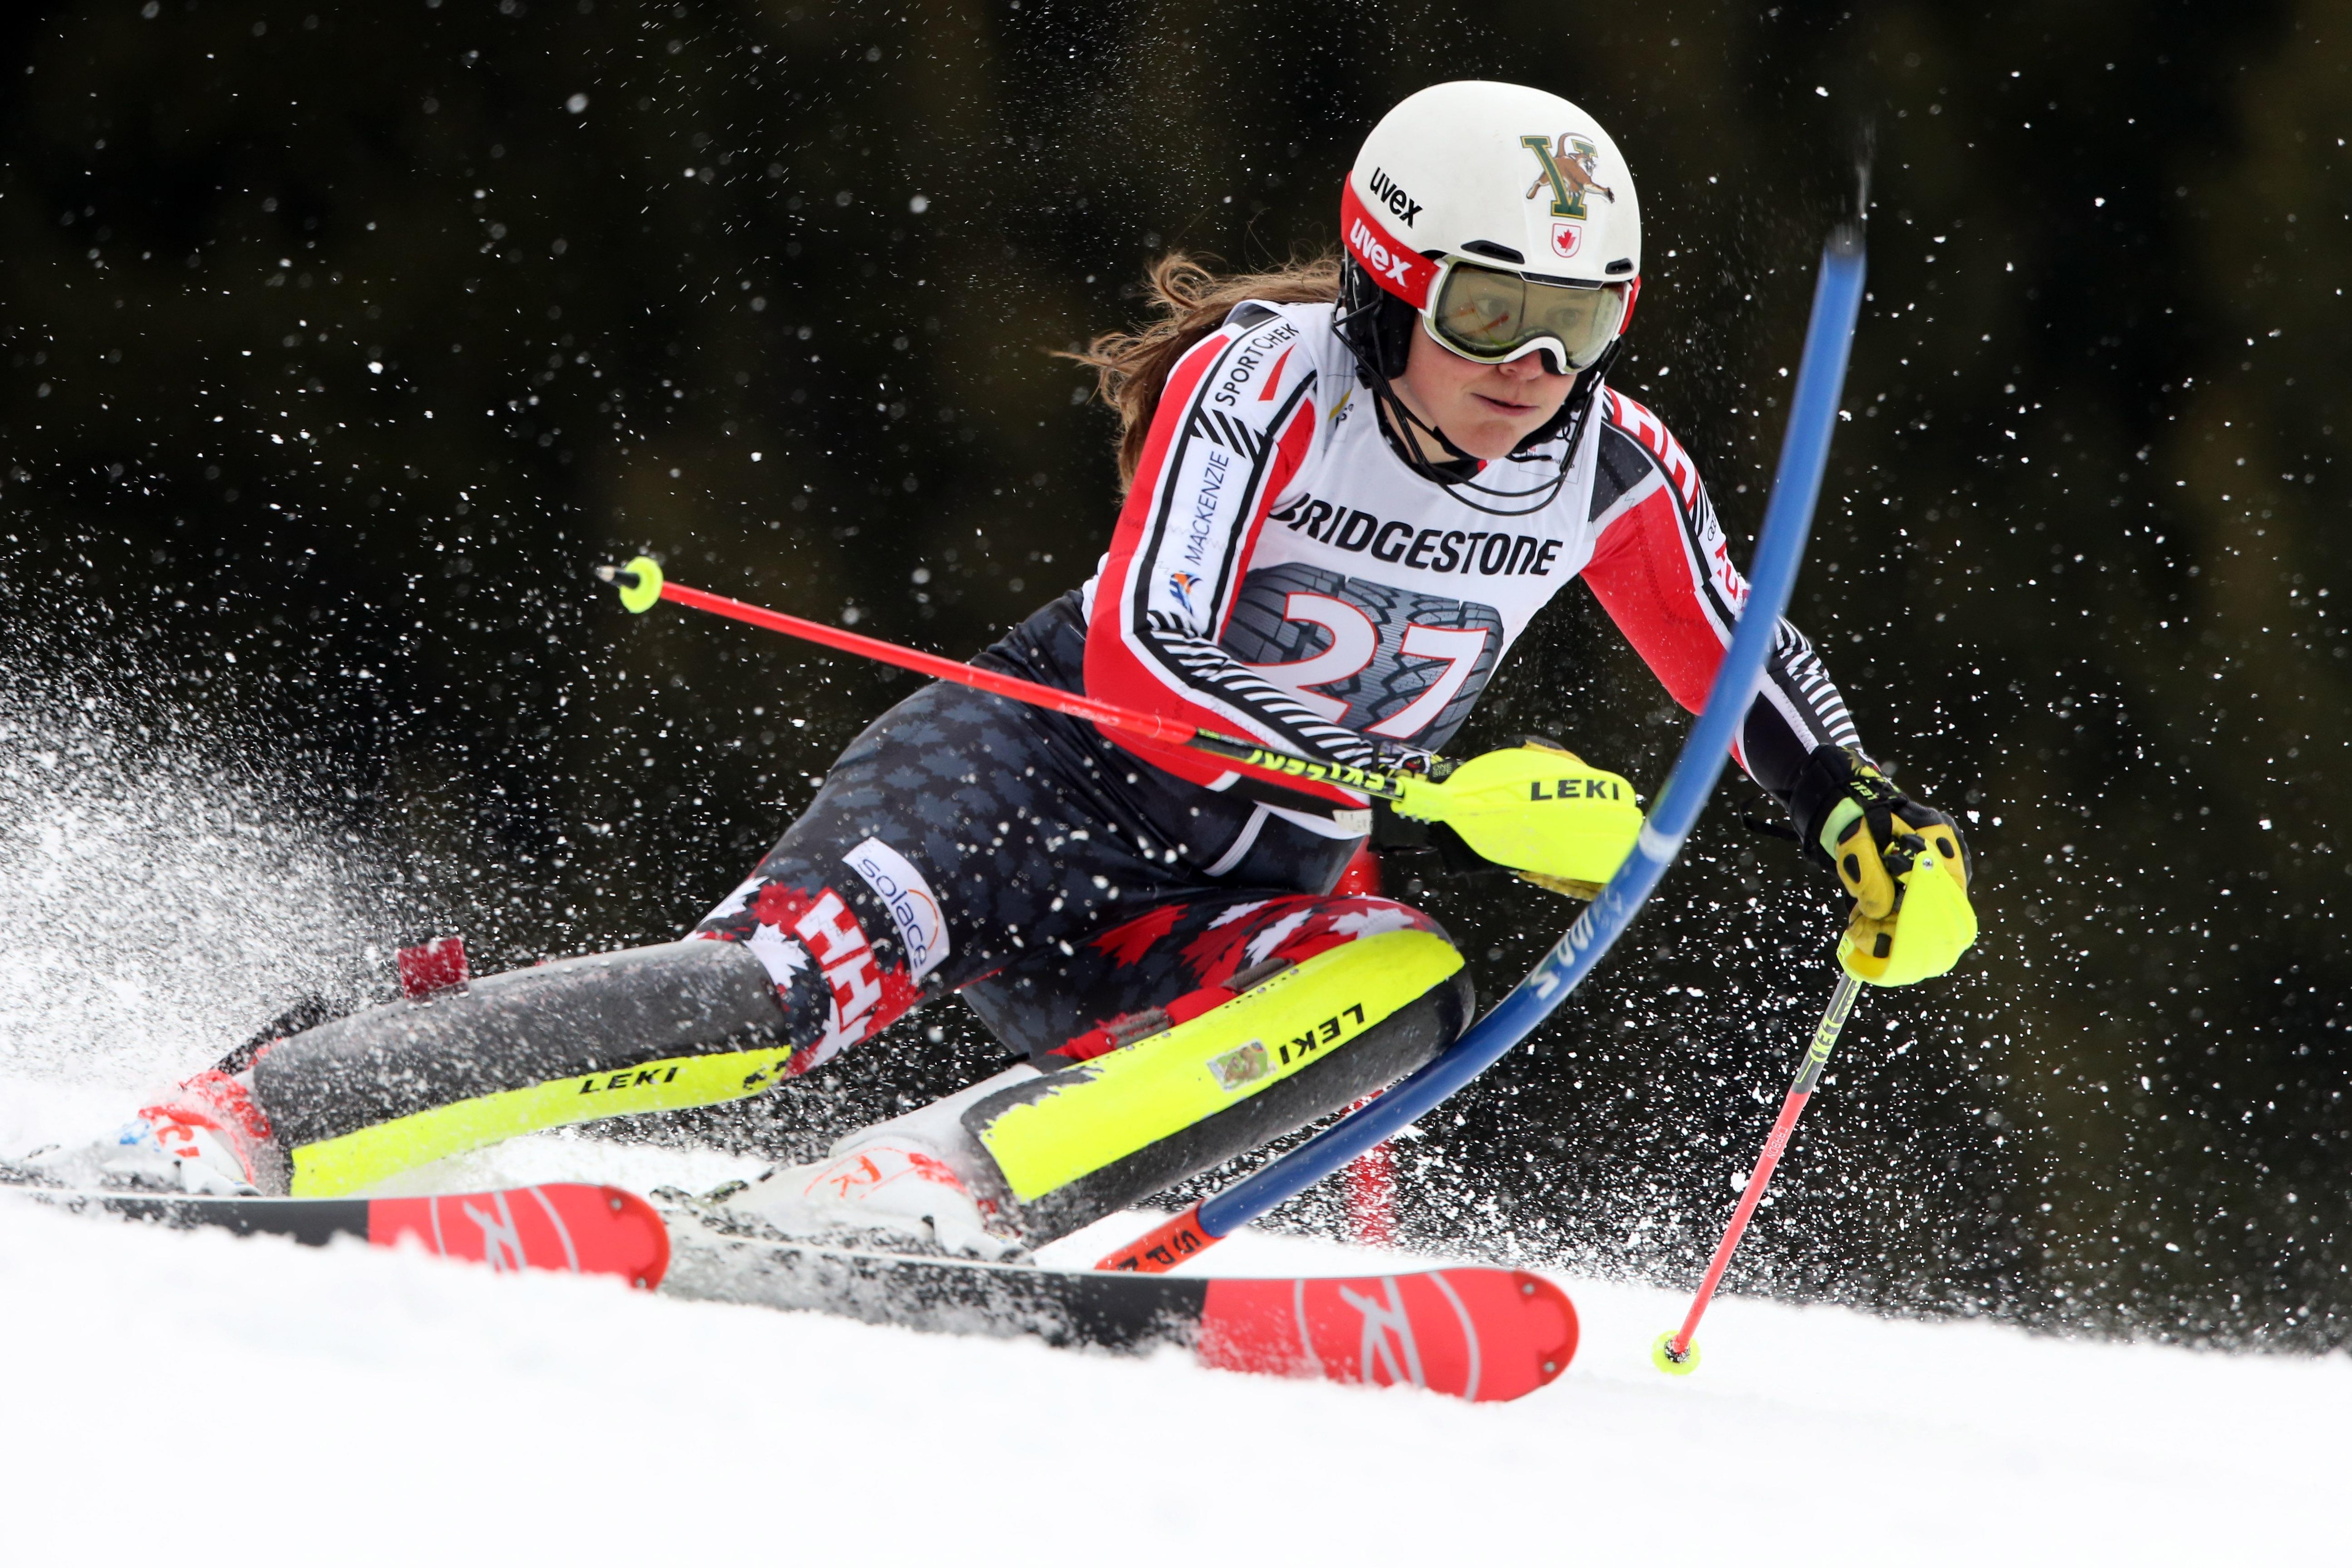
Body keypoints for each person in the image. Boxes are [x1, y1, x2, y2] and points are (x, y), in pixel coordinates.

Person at [24, 81, 1975, 1256]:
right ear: (1388, 277)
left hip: (1231, 887)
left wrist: (1859, 816)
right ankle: (277, 1104)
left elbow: (1731, 643)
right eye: (1489, 312)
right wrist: (1411, 784)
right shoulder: (1264, 382)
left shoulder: (1608, 461)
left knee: (1398, 978)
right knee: (764, 1002)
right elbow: (1159, 635)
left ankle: (922, 1200)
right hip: (1029, 782)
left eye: (1579, 321)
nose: (1528, 367)